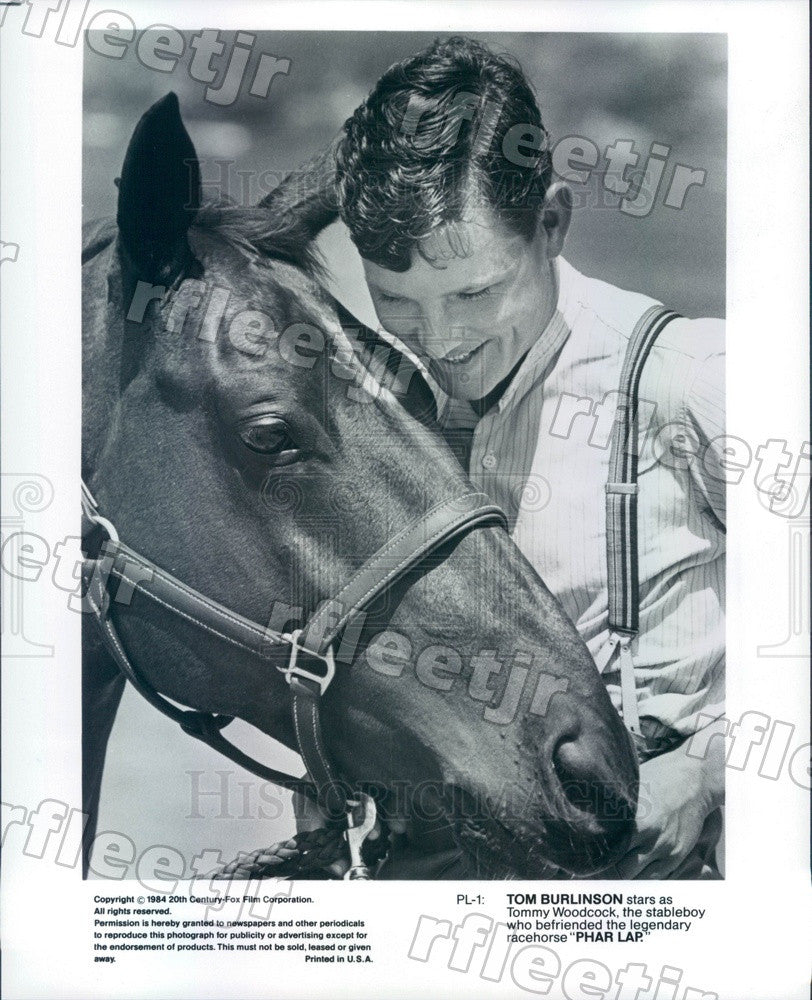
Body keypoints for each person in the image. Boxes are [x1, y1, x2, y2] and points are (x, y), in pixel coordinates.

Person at [288, 35, 725, 878]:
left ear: (552, 223)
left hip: (646, 885)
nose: (441, 341)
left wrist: (714, 774)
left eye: (476, 293)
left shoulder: (687, 380)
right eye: (397, 304)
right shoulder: (383, 409)